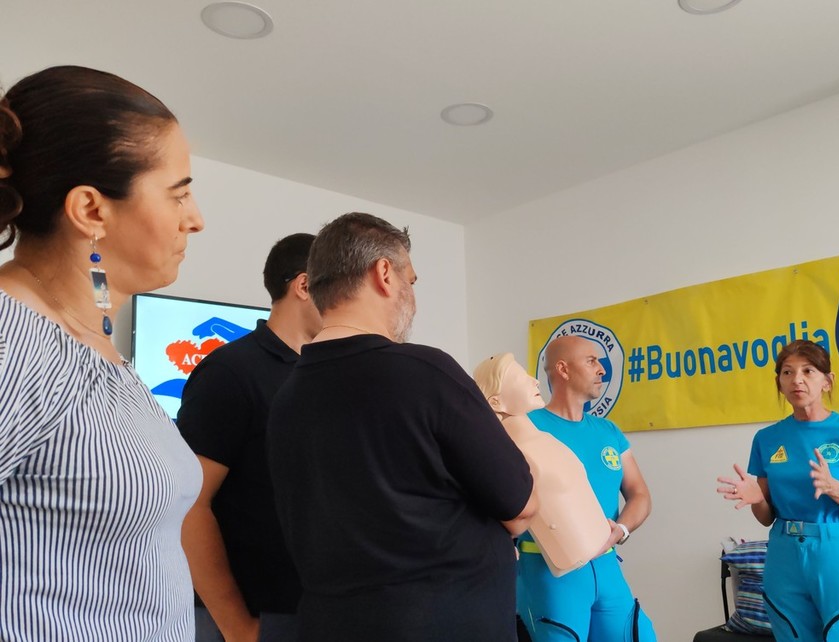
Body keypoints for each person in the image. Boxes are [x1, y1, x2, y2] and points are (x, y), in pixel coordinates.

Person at [0, 66, 204, 640]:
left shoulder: (96, 346)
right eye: (178, 193)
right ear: (91, 210)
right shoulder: (11, 341)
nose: (195, 219)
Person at [265, 212, 537, 642]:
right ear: (384, 274)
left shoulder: (286, 397)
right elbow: (520, 505)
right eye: (411, 280)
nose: (412, 295)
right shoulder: (425, 371)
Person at [179, 233, 321, 642]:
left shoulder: (323, 376)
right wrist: (238, 627)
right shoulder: (230, 372)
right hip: (248, 619)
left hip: (315, 612)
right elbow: (190, 505)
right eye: (337, 286)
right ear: (304, 285)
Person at [717, 339, 839, 642]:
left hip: (838, 547)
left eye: (808, 371)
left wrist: (836, 489)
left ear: (827, 381)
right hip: (784, 551)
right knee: (791, 633)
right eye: (788, 372)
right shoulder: (766, 438)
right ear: (779, 383)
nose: (797, 380)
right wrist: (757, 499)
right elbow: (766, 517)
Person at [520, 335, 657, 641]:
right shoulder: (525, 428)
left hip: (606, 566)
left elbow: (640, 494)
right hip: (548, 570)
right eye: (592, 361)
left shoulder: (608, 431)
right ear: (563, 369)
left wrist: (621, 530)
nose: (602, 370)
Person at [473, 352, 608, 576]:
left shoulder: (545, 439)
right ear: (496, 401)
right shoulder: (515, 456)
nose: (535, 381)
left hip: (600, 549)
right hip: (565, 564)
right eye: (521, 378)